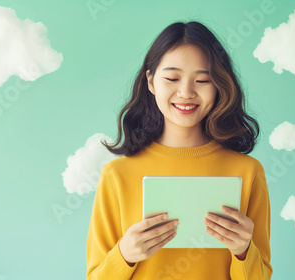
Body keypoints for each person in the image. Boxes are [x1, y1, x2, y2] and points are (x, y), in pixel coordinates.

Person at [86, 20, 272, 280]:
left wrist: (242, 250)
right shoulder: (116, 175)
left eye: (203, 80)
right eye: (172, 78)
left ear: (219, 86)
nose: (186, 92)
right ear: (150, 82)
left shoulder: (248, 172)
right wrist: (125, 255)